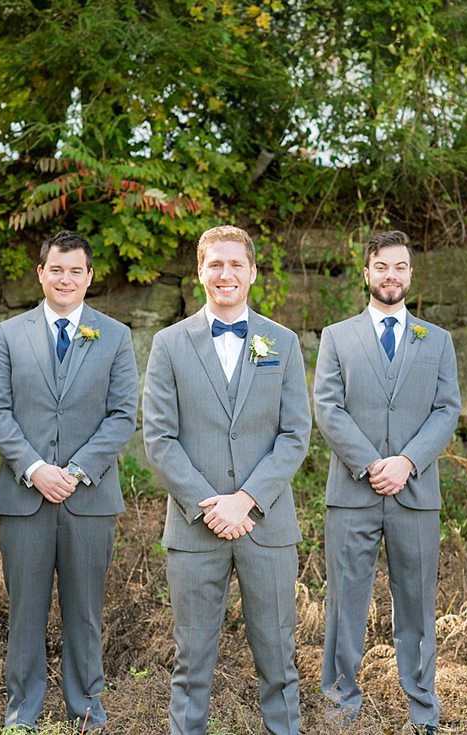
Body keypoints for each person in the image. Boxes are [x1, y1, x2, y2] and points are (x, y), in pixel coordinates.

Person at [142, 225, 311, 735]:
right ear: (200, 272)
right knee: (191, 662)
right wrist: (210, 504)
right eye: (215, 264)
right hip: (196, 529)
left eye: (236, 264)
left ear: (253, 272)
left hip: (268, 526)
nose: (226, 274)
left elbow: (294, 434)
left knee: (278, 659)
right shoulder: (169, 345)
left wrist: (247, 500)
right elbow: (160, 438)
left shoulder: (281, 342)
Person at [0, 230, 138, 731]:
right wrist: (34, 469)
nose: (65, 278)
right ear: (40, 274)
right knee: (25, 612)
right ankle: (21, 715)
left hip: (87, 499)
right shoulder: (9, 334)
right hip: (24, 497)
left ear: (90, 277)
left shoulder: (115, 336)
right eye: (56, 269)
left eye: (76, 270)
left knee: (85, 614)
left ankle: (87, 713)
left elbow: (121, 416)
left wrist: (73, 472)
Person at [314, 230, 460, 734]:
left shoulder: (436, 340)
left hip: (416, 493)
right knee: (343, 606)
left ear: (410, 275)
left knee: (417, 606)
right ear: (367, 273)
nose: (391, 275)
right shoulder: (337, 336)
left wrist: (407, 462)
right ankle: (339, 710)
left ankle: (422, 713)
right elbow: (327, 408)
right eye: (381, 266)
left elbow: (447, 410)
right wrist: (374, 463)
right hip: (353, 493)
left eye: (400, 266)